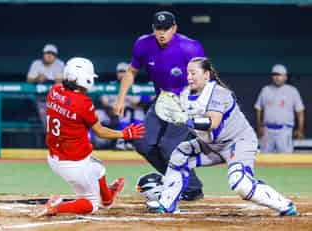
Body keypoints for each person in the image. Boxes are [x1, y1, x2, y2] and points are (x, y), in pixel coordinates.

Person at [146, 57, 297, 216]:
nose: (189, 77)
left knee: (241, 185)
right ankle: (167, 203)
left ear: (206, 75)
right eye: (187, 73)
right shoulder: (184, 95)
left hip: (237, 142)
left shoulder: (219, 93)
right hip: (211, 144)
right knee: (179, 154)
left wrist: (187, 120)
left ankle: (285, 205)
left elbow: (213, 122)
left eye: (193, 73)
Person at [32, 57, 145, 217]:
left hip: (54, 157)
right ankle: (55, 208)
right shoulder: (83, 103)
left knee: (98, 168)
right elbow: (100, 131)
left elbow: (65, 97)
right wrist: (124, 133)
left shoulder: (54, 90)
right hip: (74, 163)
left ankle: (108, 199)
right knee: (91, 204)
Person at [114, 11, 204, 200]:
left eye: (166, 29)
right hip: (162, 101)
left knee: (169, 146)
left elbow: (204, 78)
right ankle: (187, 183)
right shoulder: (143, 44)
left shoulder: (190, 47)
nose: (162, 33)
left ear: (174, 28)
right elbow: (131, 72)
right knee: (142, 142)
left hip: (185, 102)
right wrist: (121, 98)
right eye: (158, 29)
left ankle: (190, 188)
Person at [95, 62, 146, 150]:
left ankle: (124, 142)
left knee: (128, 113)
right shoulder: (110, 85)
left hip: (126, 114)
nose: (122, 74)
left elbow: (136, 102)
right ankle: (89, 140)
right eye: (120, 72)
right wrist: (111, 109)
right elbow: (104, 101)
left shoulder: (133, 87)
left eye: (124, 72)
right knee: (96, 113)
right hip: (109, 112)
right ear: (117, 73)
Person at [254, 64, 305, 153]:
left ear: (285, 77)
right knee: (265, 159)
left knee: (286, 160)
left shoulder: (292, 91)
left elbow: (300, 111)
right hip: (267, 131)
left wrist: (300, 129)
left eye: (279, 75)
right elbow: (258, 109)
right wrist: (259, 126)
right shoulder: (266, 90)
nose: (277, 77)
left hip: (284, 131)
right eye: (275, 75)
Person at [27, 44, 65, 128]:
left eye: (52, 54)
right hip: (40, 97)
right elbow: (29, 80)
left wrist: (49, 79)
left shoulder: (60, 64)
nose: (49, 56)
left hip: (57, 97)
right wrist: (37, 78)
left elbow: (61, 80)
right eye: (47, 53)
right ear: (43, 54)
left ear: (55, 56)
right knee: (46, 119)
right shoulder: (36, 63)